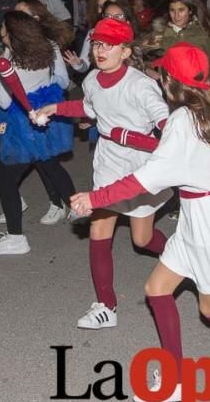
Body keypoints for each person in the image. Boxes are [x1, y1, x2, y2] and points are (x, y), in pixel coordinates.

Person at [70, 43, 210, 402]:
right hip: (203, 213)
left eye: (162, 74)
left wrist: (93, 198)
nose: (157, 78)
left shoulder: (182, 120)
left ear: (172, 81)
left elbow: (148, 177)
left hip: (209, 223)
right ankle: (174, 377)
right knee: (157, 288)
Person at [36, 18, 170, 329]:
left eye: (108, 45)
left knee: (143, 239)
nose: (100, 50)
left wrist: (154, 141)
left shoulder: (141, 85)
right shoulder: (93, 80)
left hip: (140, 164)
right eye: (97, 43)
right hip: (109, 160)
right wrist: (54, 109)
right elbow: (88, 107)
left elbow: (165, 125)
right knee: (98, 230)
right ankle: (106, 306)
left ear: (125, 52)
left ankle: (181, 256)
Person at [0, 11, 75, 255]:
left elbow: (6, 102)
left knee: (7, 180)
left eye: (5, 35)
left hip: (21, 122)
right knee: (49, 163)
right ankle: (78, 206)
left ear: (15, 34)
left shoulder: (14, 63)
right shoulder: (45, 49)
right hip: (42, 114)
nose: (2, 39)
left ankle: (16, 237)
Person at [157, 0, 210, 87]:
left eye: (181, 10)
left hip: (198, 91)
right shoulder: (160, 33)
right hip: (170, 91)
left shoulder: (203, 33)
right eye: (172, 10)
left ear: (190, 10)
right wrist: (153, 73)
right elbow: (148, 60)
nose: (176, 16)